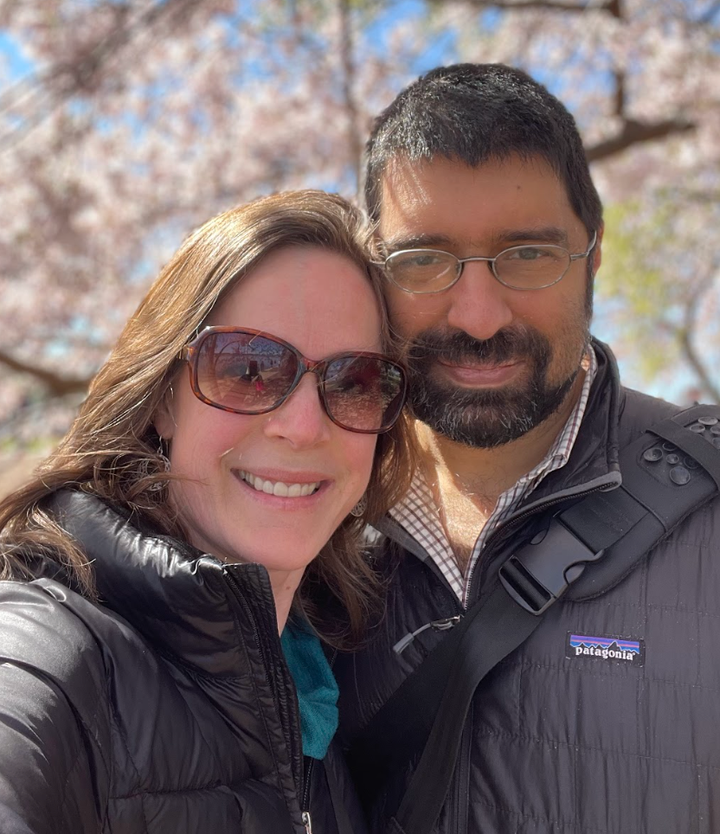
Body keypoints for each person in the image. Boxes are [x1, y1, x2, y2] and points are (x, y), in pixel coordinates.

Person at [333, 63, 720, 833]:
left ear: (594, 255)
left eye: (528, 255)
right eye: (423, 260)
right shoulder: (299, 524)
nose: (478, 317)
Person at [0, 190, 411, 834]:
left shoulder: (322, 688)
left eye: (354, 382)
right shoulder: (48, 655)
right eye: (247, 368)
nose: (303, 427)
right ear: (164, 399)